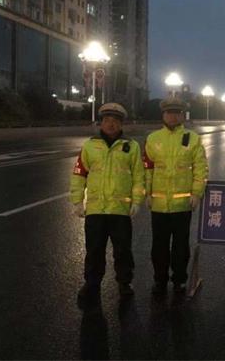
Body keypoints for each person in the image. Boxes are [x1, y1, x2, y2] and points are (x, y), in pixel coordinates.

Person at [70, 103, 144, 301]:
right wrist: (77, 201)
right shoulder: (89, 146)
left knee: (123, 251)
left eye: (115, 121)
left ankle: (124, 283)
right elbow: (79, 175)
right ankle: (92, 284)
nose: (111, 124)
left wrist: (137, 201)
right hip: (96, 210)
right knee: (94, 250)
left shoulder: (132, 147)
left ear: (121, 124)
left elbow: (139, 177)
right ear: (101, 123)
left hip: (120, 210)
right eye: (107, 120)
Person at [143, 97, 208, 295]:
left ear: (182, 116)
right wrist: (147, 193)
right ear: (163, 115)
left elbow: (201, 169)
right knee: (159, 247)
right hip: (159, 205)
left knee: (181, 246)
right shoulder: (153, 139)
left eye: (176, 113)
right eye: (169, 112)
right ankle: (160, 280)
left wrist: (197, 193)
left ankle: (179, 279)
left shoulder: (193, 138)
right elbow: (147, 170)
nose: (172, 116)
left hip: (182, 204)